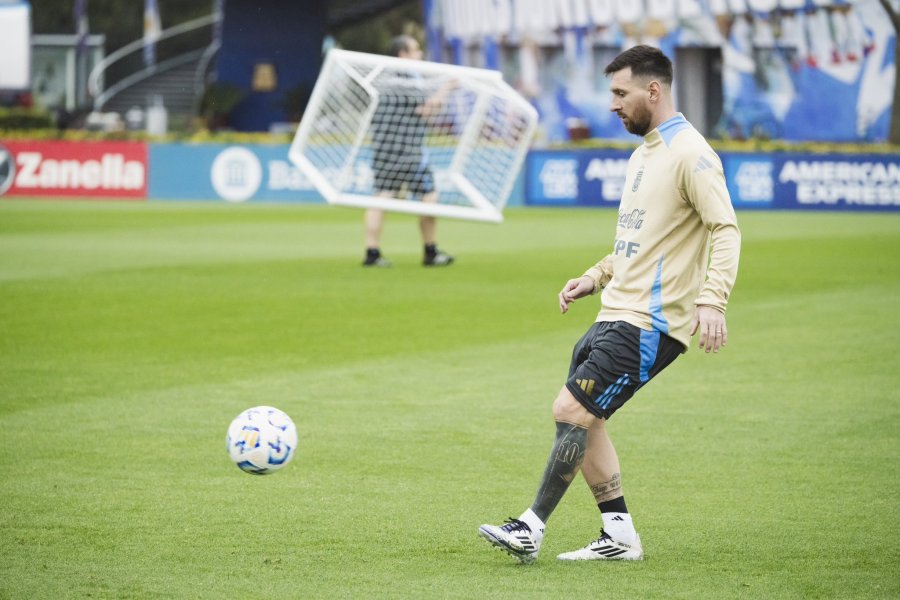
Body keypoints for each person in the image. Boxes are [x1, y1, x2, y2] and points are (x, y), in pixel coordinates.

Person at [478, 45, 741, 563]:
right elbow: (635, 241)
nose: (613, 105)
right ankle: (619, 536)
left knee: (570, 410)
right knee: (587, 419)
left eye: (620, 93)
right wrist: (593, 277)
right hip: (614, 311)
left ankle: (531, 526)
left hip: (649, 323)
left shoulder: (692, 153)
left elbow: (725, 229)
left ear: (653, 90)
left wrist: (713, 299)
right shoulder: (644, 153)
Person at [364, 35, 454, 268]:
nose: (420, 54)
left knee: (382, 196)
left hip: (384, 149)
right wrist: (448, 88)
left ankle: (371, 252)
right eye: (415, 49)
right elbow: (426, 109)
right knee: (429, 195)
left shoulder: (384, 78)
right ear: (402, 54)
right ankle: (430, 251)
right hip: (408, 152)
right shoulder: (404, 77)